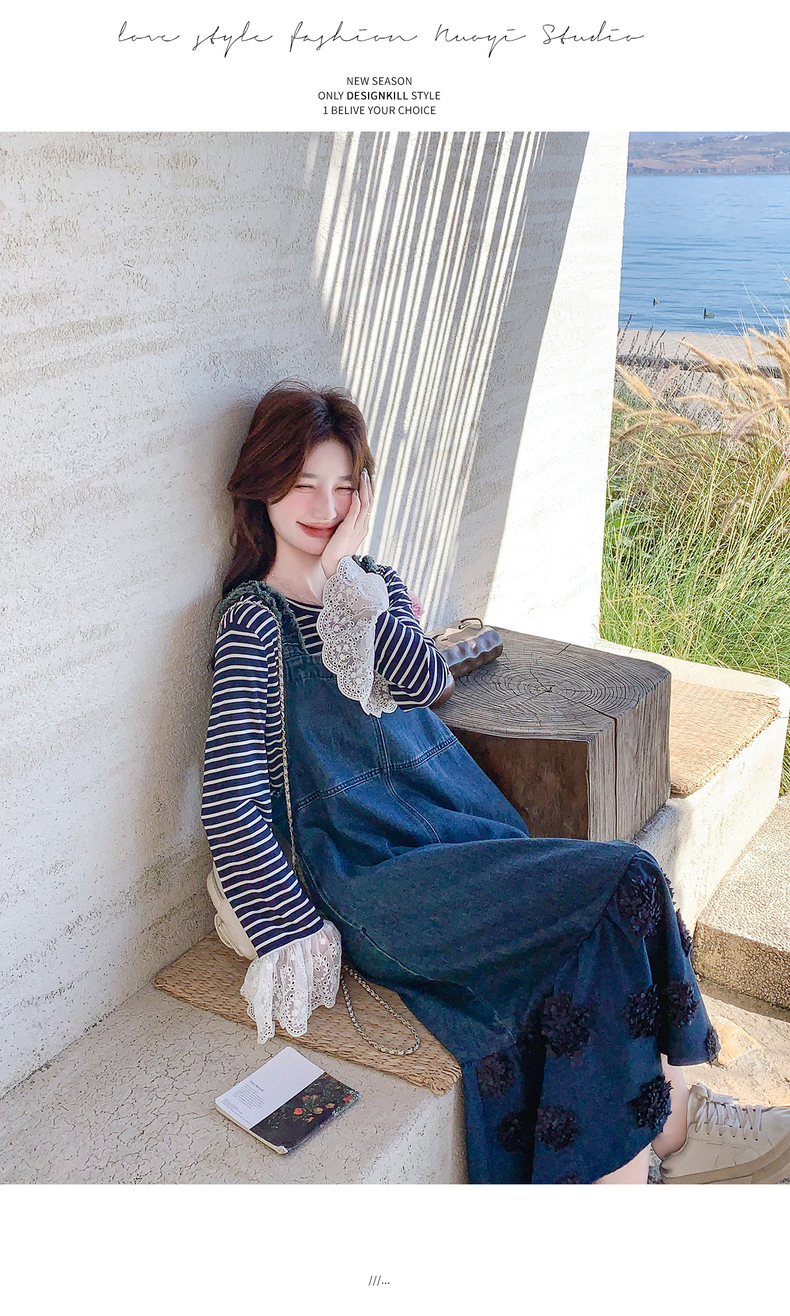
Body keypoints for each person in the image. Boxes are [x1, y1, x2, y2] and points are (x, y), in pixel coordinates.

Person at [201, 380, 790, 1185]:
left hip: (459, 830)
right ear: (262, 486)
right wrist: (292, 930)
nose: (326, 507)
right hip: (373, 874)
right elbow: (231, 800)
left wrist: (346, 583)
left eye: (344, 486)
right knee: (629, 877)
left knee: (595, 932)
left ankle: (666, 1133)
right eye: (304, 484)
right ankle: (674, 1135)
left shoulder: (376, 587)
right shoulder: (253, 626)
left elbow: (423, 682)